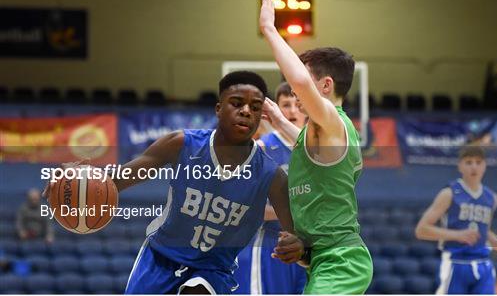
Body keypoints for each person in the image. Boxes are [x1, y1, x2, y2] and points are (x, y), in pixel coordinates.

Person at [43, 71, 305, 294]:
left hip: (213, 269)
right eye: (237, 103)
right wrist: (80, 179)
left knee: (198, 289)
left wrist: (296, 245)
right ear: (218, 108)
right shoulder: (181, 144)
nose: (246, 111)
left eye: (255, 107)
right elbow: (117, 181)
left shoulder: (271, 175)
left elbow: (298, 233)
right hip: (159, 259)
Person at [258, 0, 373, 294]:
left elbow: (297, 81)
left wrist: (270, 29)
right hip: (320, 258)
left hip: (341, 259)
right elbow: (311, 153)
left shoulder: (333, 119)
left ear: (325, 85)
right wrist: (279, 121)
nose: (297, 95)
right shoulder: (323, 135)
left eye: (308, 83)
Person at [415, 146, 497, 294]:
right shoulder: (449, 193)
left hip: (483, 264)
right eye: (469, 162)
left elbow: (485, 233)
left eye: (478, 162)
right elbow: (421, 230)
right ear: (460, 166)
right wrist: (457, 235)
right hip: (455, 263)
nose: (474, 167)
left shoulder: (491, 198)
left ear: (485, 166)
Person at [233, 82, 307, 294]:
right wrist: (291, 215)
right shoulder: (261, 149)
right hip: (272, 246)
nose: (293, 110)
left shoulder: (315, 149)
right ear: (275, 110)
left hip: (310, 246)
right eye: (286, 104)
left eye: (296, 104)